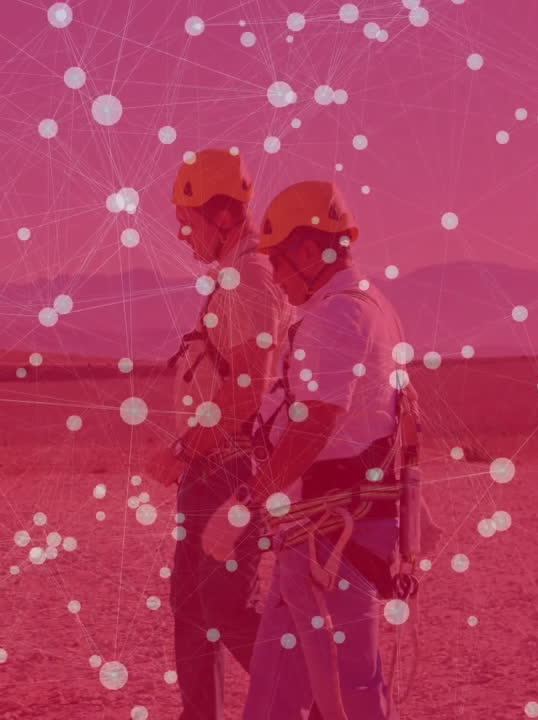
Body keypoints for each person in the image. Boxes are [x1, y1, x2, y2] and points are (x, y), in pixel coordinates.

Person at [200, 180, 412, 720]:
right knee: (275, 696)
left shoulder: (337, 315)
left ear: (305, 247)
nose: (273, 272)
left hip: (333, 541)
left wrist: (246, 505)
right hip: (317, 537)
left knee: (349, 697)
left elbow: (315, 423)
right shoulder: (367, 305)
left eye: (276, 257)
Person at [148, 148, 291, 720]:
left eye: (189, 221)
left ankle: (308, 702)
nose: (183, 235)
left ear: (224, 216)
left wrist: (185, 450)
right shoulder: (235, 278)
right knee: (191, 603)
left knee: (227, 607)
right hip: (211, 467)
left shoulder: (251, 281)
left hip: (229, 469)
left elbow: (247, 393)